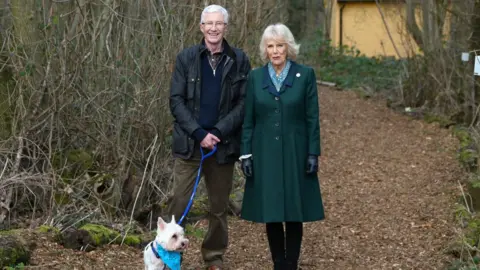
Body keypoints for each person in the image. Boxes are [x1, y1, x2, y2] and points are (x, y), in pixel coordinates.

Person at [167, 4, 251, 270]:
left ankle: (213, 258)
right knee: (179, 203)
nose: (214, 28)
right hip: (190, 145)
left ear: (226, 27)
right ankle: (168, 258)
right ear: (201, 27)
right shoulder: (186, 58)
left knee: (218, 207)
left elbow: (244, 104)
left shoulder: (239, 60)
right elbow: (176, 100)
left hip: (222, 147)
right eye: (209, 24)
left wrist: (217, 132)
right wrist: (199, 133)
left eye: (219, 24)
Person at [239, 23, 325, 270]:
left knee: (294, 209)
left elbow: (312, 117)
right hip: (265, 152)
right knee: (272, 209)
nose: (275, 51)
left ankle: (291, 263)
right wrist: (246, 153)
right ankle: (279, 263)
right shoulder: (256, 77)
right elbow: (249, 120)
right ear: (265, 50)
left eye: (280, 46)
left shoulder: (305, 75)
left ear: (288, 47)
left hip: (296, 151)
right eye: (270, 46)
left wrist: (313, 152)